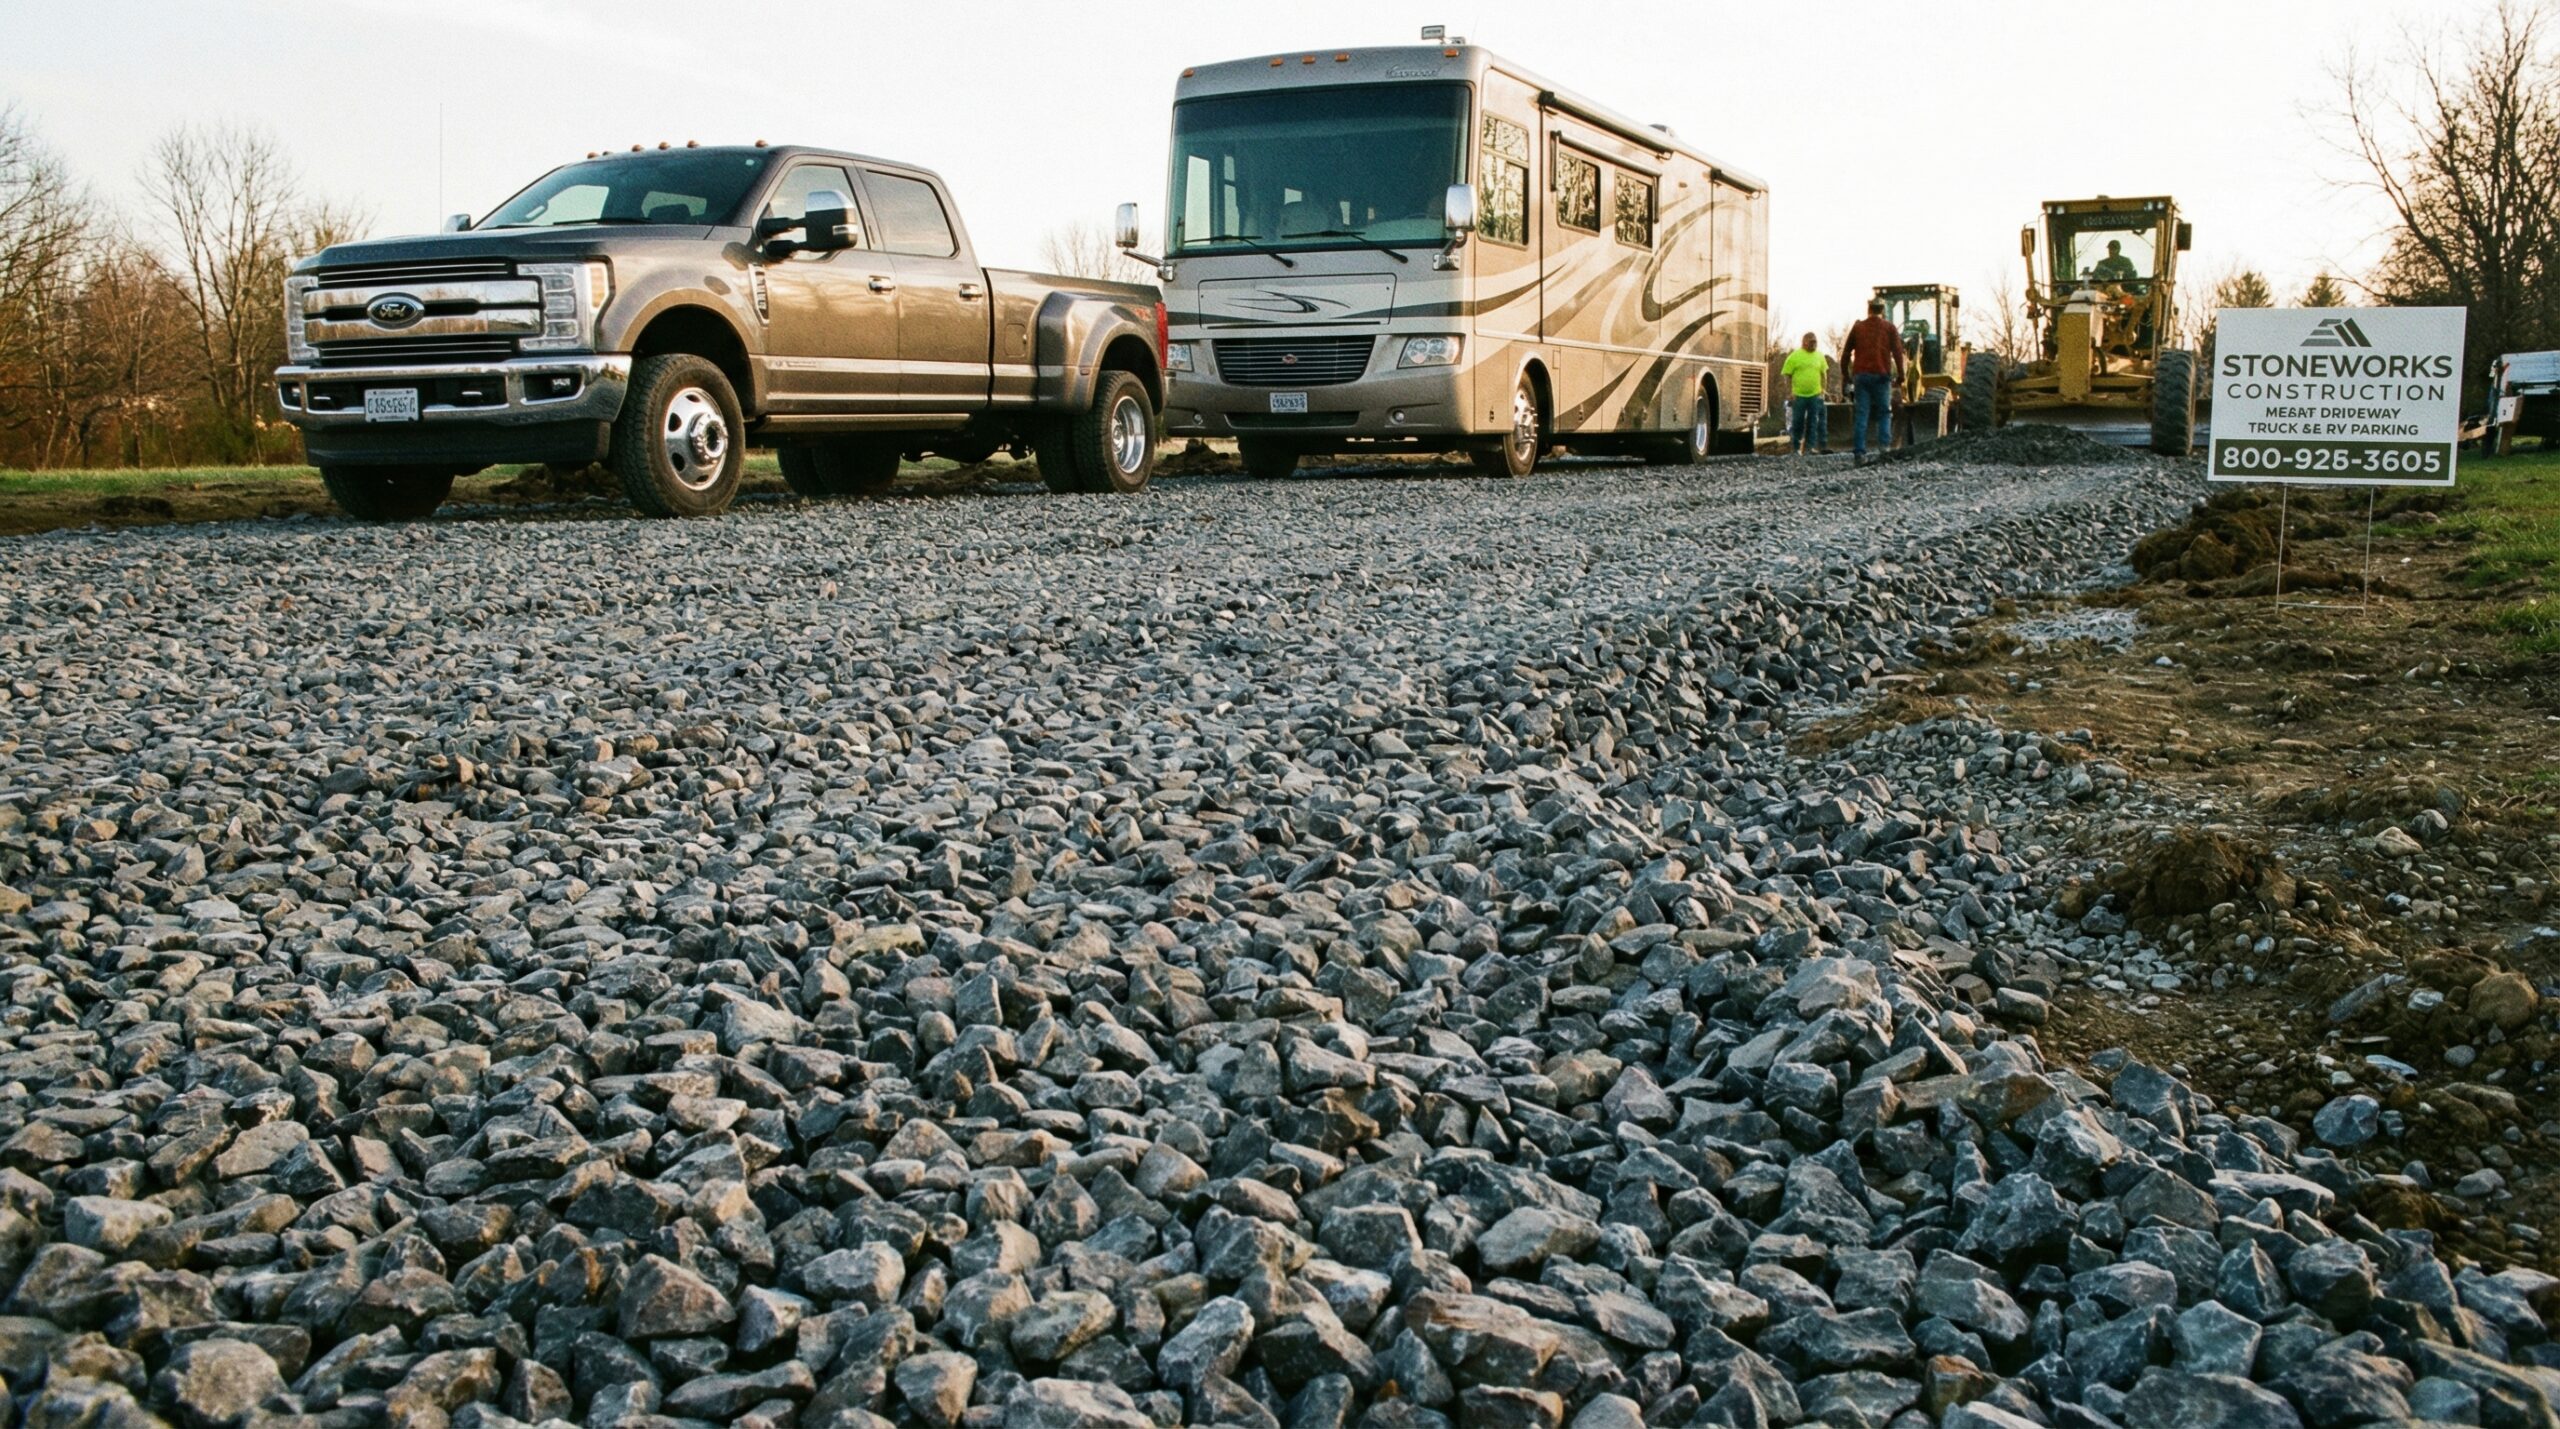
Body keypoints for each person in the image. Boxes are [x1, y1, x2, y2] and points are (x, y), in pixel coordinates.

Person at [1841, 300, 1906, 464]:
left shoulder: (1858, 327)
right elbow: (1898, 353)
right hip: (1881, 375)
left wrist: (1846, 376)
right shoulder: (1890, 328)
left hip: (1861, 376)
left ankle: (1859, 454)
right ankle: (1884, 449)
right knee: (1884, 412)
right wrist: (1901, 375)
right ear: (1883, 310)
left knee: (1862, 414)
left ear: (1868, 309)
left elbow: (1846, 353)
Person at [1781, 333, 1830, 456]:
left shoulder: (1820, 356)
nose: (1814, 344)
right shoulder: (1794, 356)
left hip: (1815, 395)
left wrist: (1823, 389)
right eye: (1811, 341)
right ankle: (1796, 448)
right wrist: (1789, 392)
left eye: (1815, 341)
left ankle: (1809, 448)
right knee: (1798, 422)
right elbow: (1786, 374)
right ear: (1804, 342)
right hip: (1798, 396)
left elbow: (1824, 374)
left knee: (1813, 422)